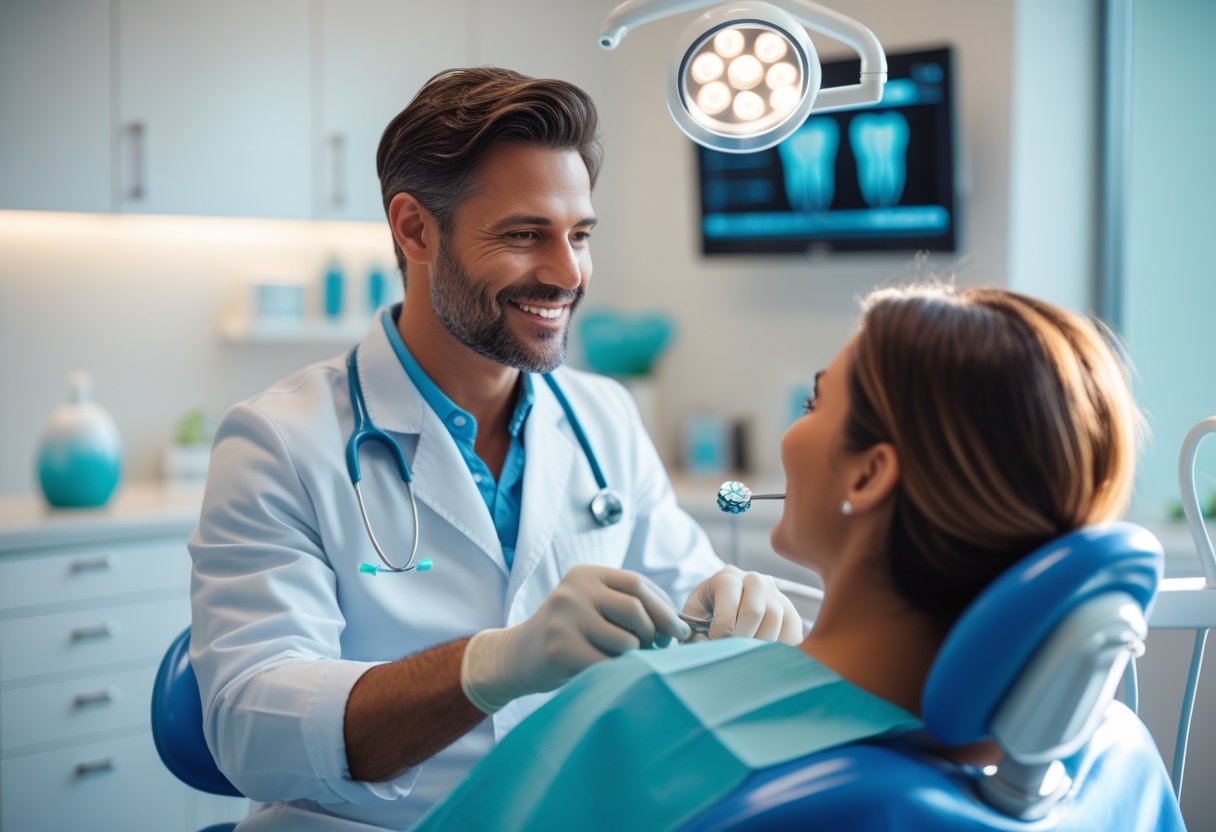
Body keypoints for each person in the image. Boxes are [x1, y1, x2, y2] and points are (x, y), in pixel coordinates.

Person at [187, 67, 803, 831]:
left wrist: (731, 612)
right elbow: (251, 730)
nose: (568, 273)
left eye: (579, 235)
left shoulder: (603, 416)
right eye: (524, 235)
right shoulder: (279, 440)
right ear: (415, 229)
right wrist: (490, 666)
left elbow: (685, 598)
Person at [413, 282, 1143, 831]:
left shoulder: (646, 718)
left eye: (816, 404)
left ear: (868, 474)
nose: (794, 438)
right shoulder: (1114, 756)